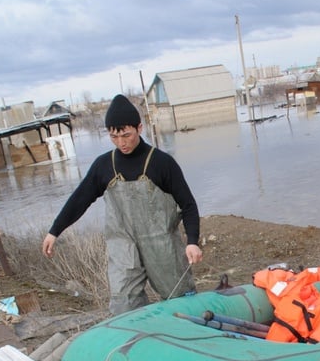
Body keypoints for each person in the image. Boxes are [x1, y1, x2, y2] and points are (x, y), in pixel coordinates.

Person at [42, 94, 203, 315]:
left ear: (140, 128)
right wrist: (54, 231)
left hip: (161, 243)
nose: (121, 143)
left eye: (126, 135)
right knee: (124, 305)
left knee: (180, 299)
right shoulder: (103, 166)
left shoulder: (162, 163)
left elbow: (188, 205)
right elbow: (79, 199)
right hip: (122, 244)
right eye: (114, 137)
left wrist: (192, 241)